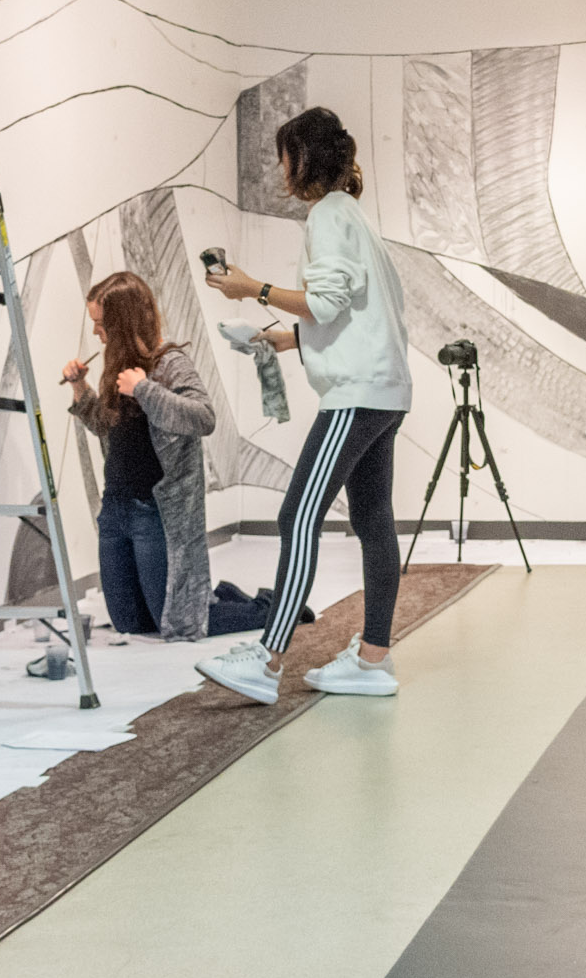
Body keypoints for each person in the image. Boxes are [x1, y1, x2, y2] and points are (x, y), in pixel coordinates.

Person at [201, 104, 412, 705]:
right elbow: (352, 311)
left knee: (298, 516)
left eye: (283, 155)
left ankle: (264, 660)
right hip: (384, 391)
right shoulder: (354, 218)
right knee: (374, 522)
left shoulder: (328, 215)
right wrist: (283, 337)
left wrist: (253, 288)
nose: (279, 167)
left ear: (304, 159)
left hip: (356, 395)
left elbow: (325, 303)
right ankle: (372, 660)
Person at [59, 269, 216, 641]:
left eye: (101, 324)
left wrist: (144, 389)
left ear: (123, 322)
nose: (96, 332)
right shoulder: (115, 368)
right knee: (131, 623)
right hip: (115, 508)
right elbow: (102, 425)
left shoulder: (169, 363)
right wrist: (80, 385)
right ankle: (211, 599)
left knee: (174, 623)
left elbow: (203, 417)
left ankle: (265, 609)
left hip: (154, 510)